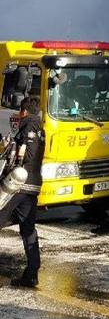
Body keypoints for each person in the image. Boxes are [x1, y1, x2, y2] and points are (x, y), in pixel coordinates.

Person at [0, 96, 45, 287]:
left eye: (19, 112)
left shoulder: (27, 126)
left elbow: (21, 155)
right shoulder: (41, 129)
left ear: (24, 112)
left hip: (18, 184)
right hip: (33, 185)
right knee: (28, 229)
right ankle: (32, 274)